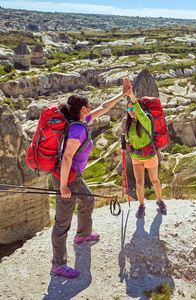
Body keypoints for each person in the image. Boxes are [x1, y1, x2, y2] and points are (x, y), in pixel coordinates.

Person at [50, 78, 132, 278]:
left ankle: (83, 236)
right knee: (62, 223)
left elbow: (104, 107)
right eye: (89, 106)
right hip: (66, 178)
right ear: (84, 109)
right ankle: (58, 265)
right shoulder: (77, 129)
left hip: (73, 176)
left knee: (87, 199)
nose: (92, 108)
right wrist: (63, 186)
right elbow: (67, 157)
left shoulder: (80, 121)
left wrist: (123, 94)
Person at [123, 83, 165, 218]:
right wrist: (125, 145)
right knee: (139, 184)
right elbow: (130, 139)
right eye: (128, 109)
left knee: (155, 181)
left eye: (133, 109)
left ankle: (160, 201)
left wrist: (131, 96)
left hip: (150, 157)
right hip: (136, 157)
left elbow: (139, 112)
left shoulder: (146, 120)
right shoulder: (130, 123)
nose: (131, 111)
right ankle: (141, 206)